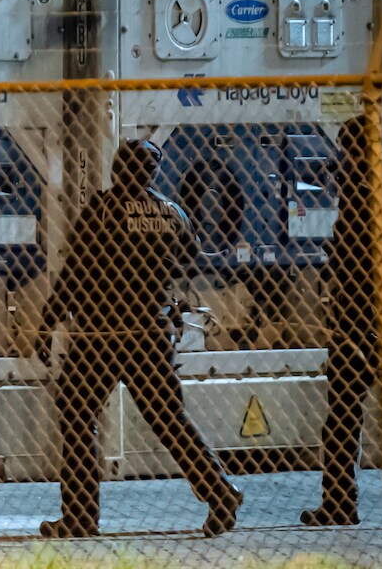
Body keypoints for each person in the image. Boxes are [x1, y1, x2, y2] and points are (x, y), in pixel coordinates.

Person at [35, 139, 242, 538]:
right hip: (151, 330)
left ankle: (80, 515)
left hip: (103, 332)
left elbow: (75, 271)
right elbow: (191, 257)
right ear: (151, 174)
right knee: (169, 419)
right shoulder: (171, 211)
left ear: (118, 170)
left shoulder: (103, 208)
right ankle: (220, 491)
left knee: (77, 413)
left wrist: (49, 321)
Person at [306, 113, 382, 526]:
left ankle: (340, 502)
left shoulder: (359, 192)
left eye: (346, 150)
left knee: (342, 415)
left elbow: (349, 256)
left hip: (357, 319)